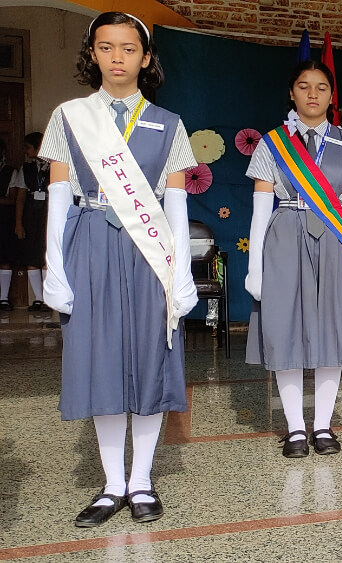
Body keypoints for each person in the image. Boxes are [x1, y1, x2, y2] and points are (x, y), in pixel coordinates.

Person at [39, 11, 198, 525]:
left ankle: (142, 480)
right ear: (93, 54)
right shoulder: (70, 116)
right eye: (106, 47)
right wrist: (54, 267)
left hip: (148, 251)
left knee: (150, 358)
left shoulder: (169, 124)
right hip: (89, 243)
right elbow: (58, 196)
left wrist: (181, 272)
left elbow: (176, 204)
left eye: (129, 49)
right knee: (101, 360)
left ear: (145, 57)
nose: (117, 58)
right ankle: (112, 485)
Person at [245, 59, 342, 459]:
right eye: (304, 86)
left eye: (321, 87)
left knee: (330, 331)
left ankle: (322, 425)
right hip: (284, 237)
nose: (313, 94)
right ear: (292, 93)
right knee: (284, 330)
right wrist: (255, 268)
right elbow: (260, 209)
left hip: (334, 240)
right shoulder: (272, 143)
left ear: (332, 95)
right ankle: (295, 429)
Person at [9, 132, 53, 312]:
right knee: (31, 254)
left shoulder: (55, 166)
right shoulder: (26, 169)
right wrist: (18, 223)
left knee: (48, 255)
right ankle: (38, 298)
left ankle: (49, 299)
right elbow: (20, 198)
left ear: (38, 147)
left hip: (50, 212)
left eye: (28, 147)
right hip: (32, 214)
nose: (26, 152)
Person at [0, 139, 17, 311]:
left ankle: (3, 298)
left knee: (5, 257)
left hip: (4, 219)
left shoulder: (10, 172)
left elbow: (12, 199)